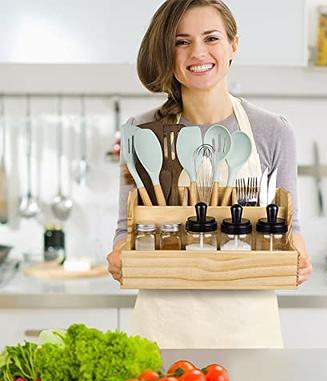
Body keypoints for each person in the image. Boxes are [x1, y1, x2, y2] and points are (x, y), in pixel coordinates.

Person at [107, 0, 312, 349]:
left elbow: (290, 228)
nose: (197, 52)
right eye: (181, 41)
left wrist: (298, 260)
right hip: (162, 327)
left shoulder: (272, 130)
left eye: (211, 38)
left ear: (233, 45)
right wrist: (119, 257)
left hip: (248, 329)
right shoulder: (142, 130)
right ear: (167, 52)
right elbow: (127, 229)